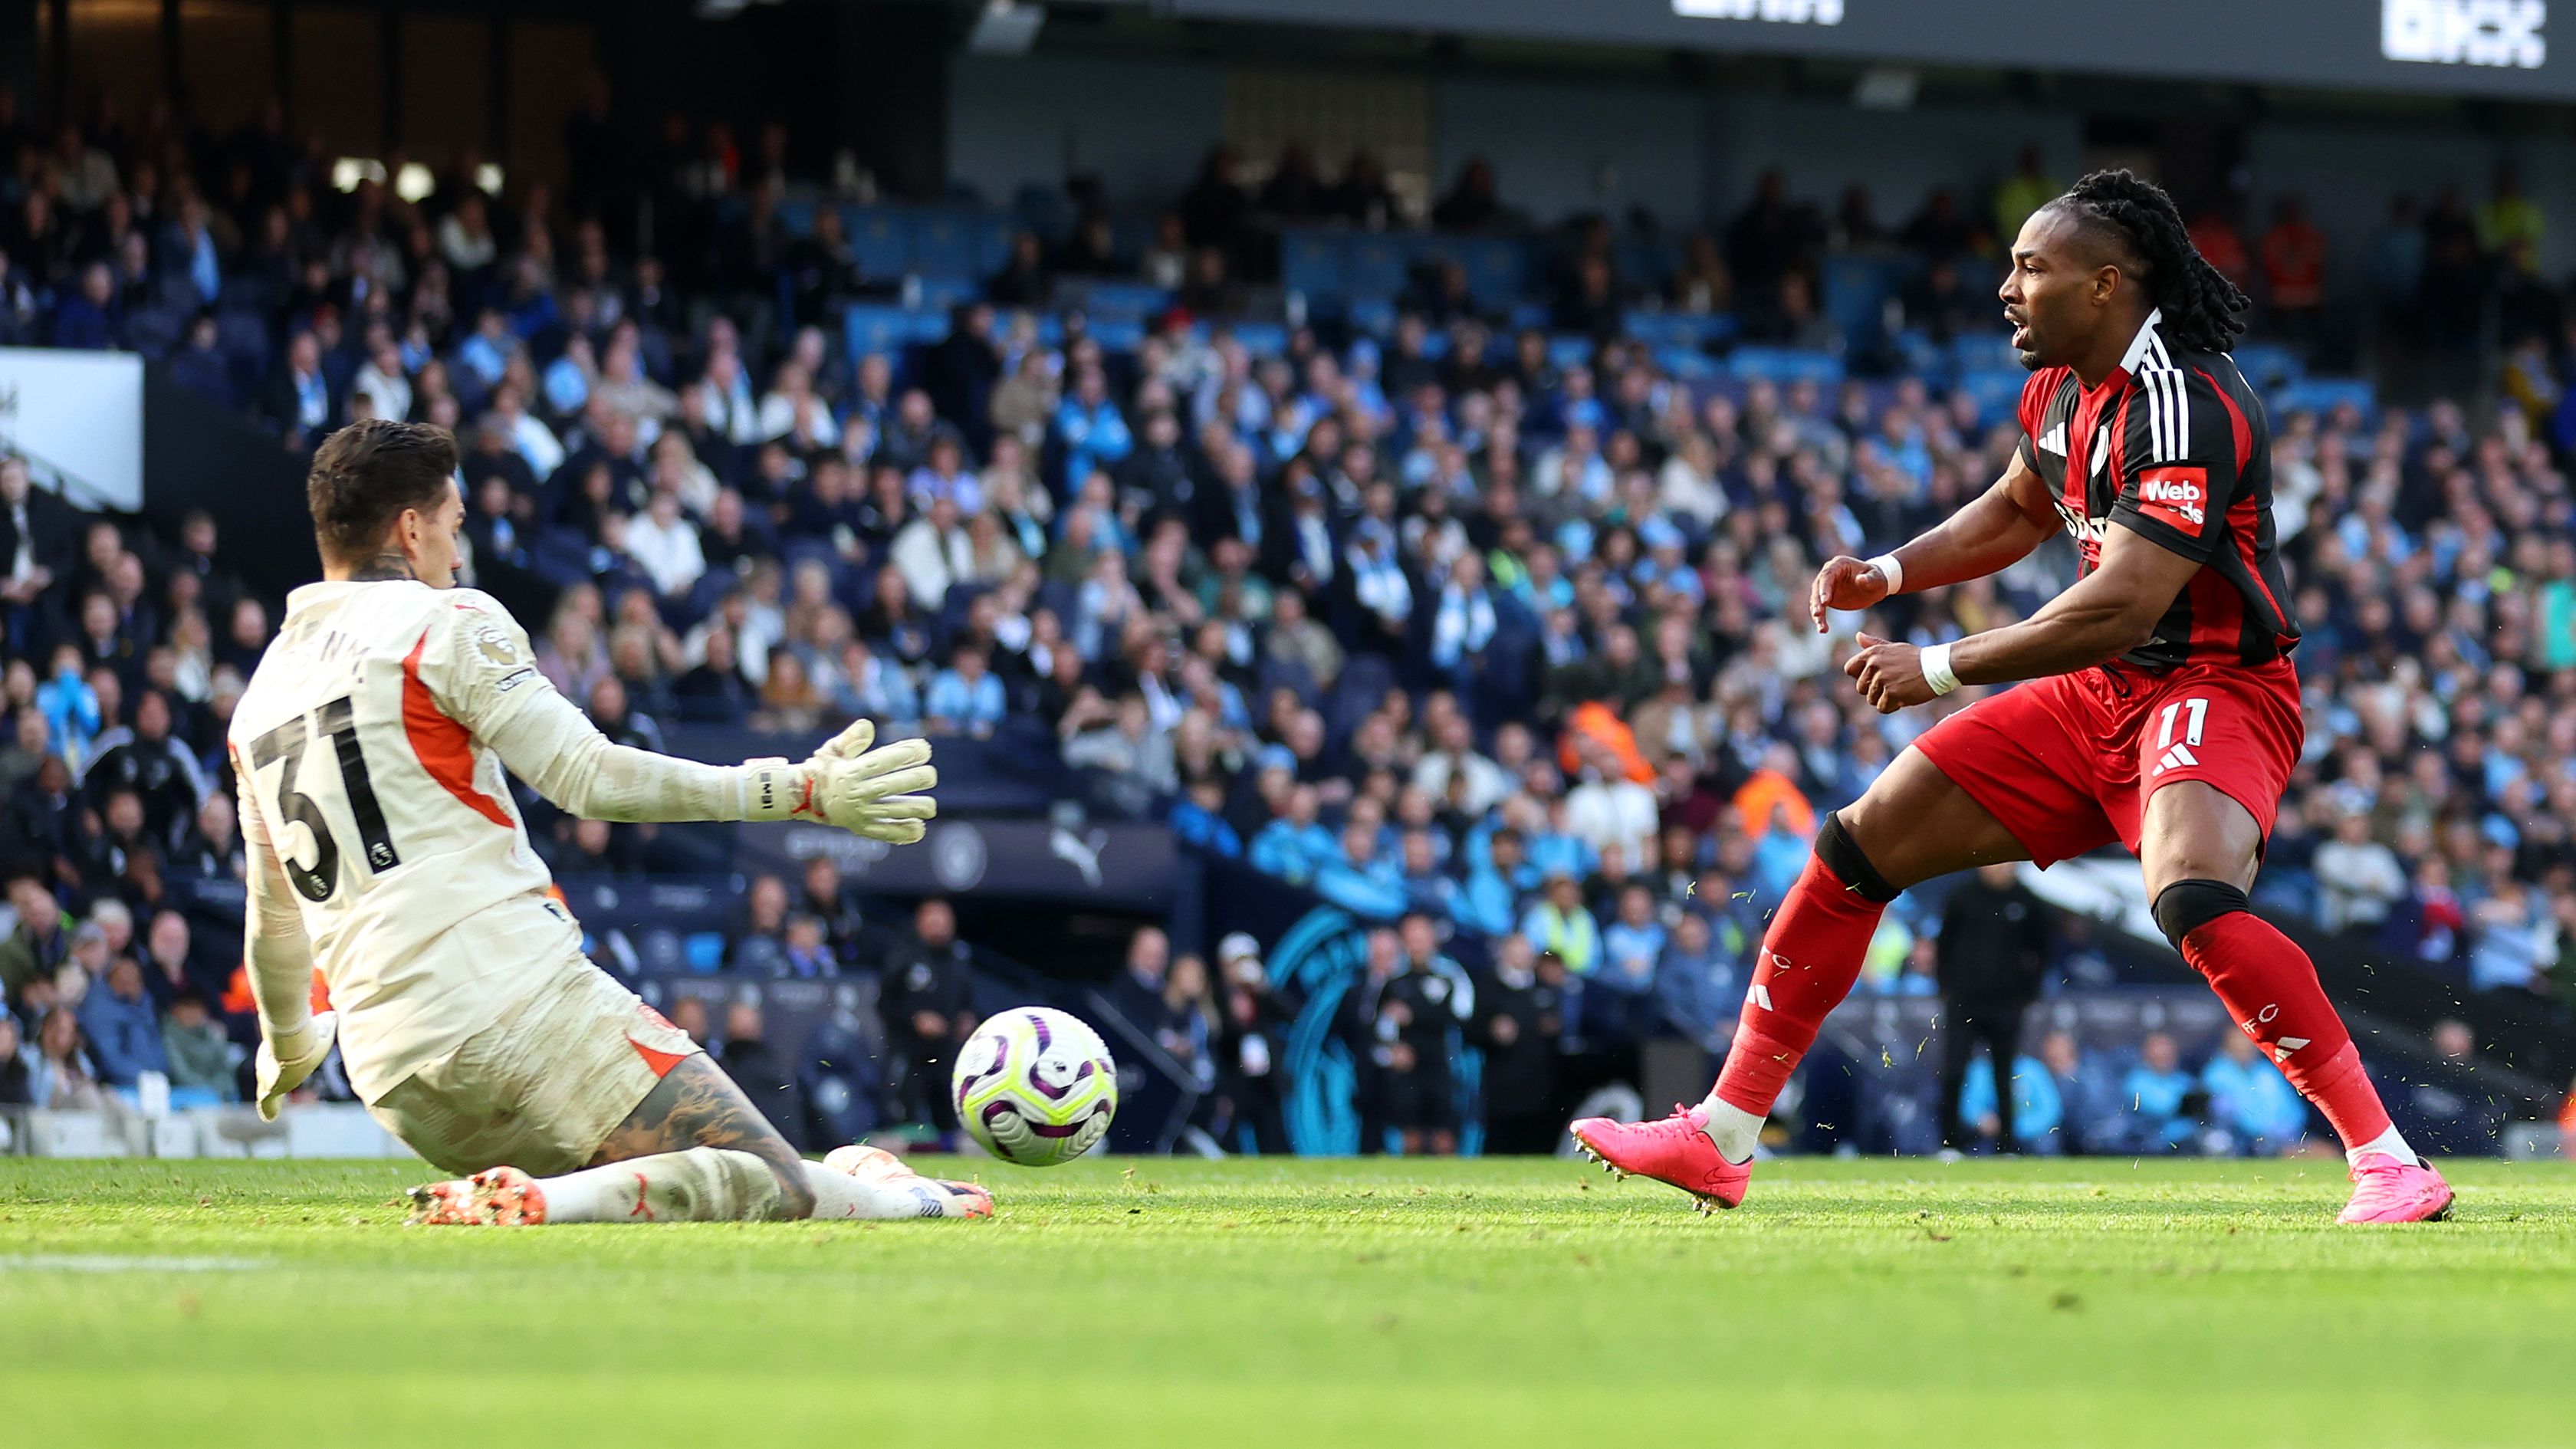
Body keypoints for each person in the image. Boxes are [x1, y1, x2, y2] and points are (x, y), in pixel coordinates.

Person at [1573, 171, 2451, 1225]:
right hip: (2095, 693)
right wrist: (1890, 572)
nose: (2007, 288)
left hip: (2212, 682)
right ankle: (1721, 1135)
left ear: (2106, 285)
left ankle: (2388, 1158)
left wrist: (1939, 666)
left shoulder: (2187, 405)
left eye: (2031, 267)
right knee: (1858, 844)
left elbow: (2122, 604)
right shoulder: (2061, 387)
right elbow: (2018, 506)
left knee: (2191, 896)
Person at [231, 419, 983, 1227]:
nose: (459, 549)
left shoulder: (258, 701)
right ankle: (540, 1204)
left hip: (396, 1075)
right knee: (768, 1180)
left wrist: (286, 1043)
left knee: (710, 1174)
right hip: (513, 1011)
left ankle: (899, 1196)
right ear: (409, 528)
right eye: (453, 524)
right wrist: (795, 789)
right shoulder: (440, 622)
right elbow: (589, 776)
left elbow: (275, 918)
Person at [1932, 863, 2052, 1153]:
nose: (2000, 868)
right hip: (1965, 1001)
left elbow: (2042, 948)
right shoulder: (1962, 896)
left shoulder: (2026, 900)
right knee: (1954, 1069)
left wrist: (2028, 992)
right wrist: (1946, 987)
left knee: (2005, 1073)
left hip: (2006, 1005)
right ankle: (1949, 1142)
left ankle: (2007, 1145)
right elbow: (1944, 944)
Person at [882, 897, 978, 1133]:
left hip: (947, 1053)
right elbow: (884, 1004)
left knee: (950, 1117)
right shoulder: (903, 956)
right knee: (910, 1119)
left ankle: (950, 1156)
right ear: (920, 923)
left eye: (943, 919)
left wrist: (968, 1017)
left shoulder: (960, 957)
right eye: (932, 919)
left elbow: (968, 1000)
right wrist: (914, 1019)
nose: (939, 925)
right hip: (911, 1053)